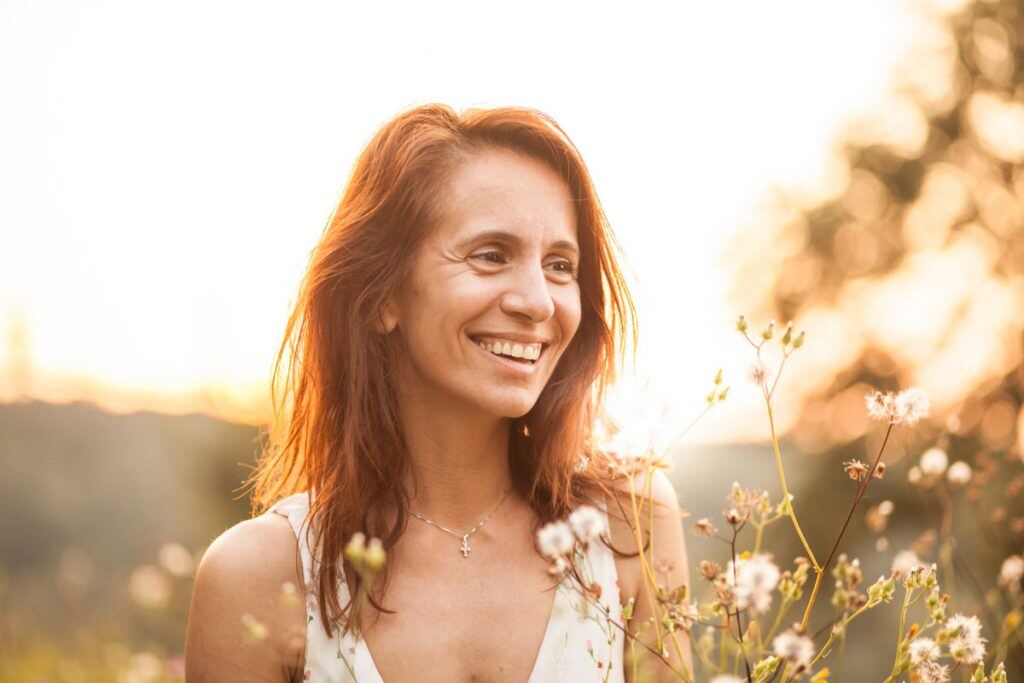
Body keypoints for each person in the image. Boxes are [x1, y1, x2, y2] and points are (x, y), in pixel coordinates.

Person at [184, 103, 690, 682]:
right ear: (382, 297)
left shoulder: (630, 523)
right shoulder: (258, 575)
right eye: (490, 256)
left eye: (559, 265)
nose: (537, 301)